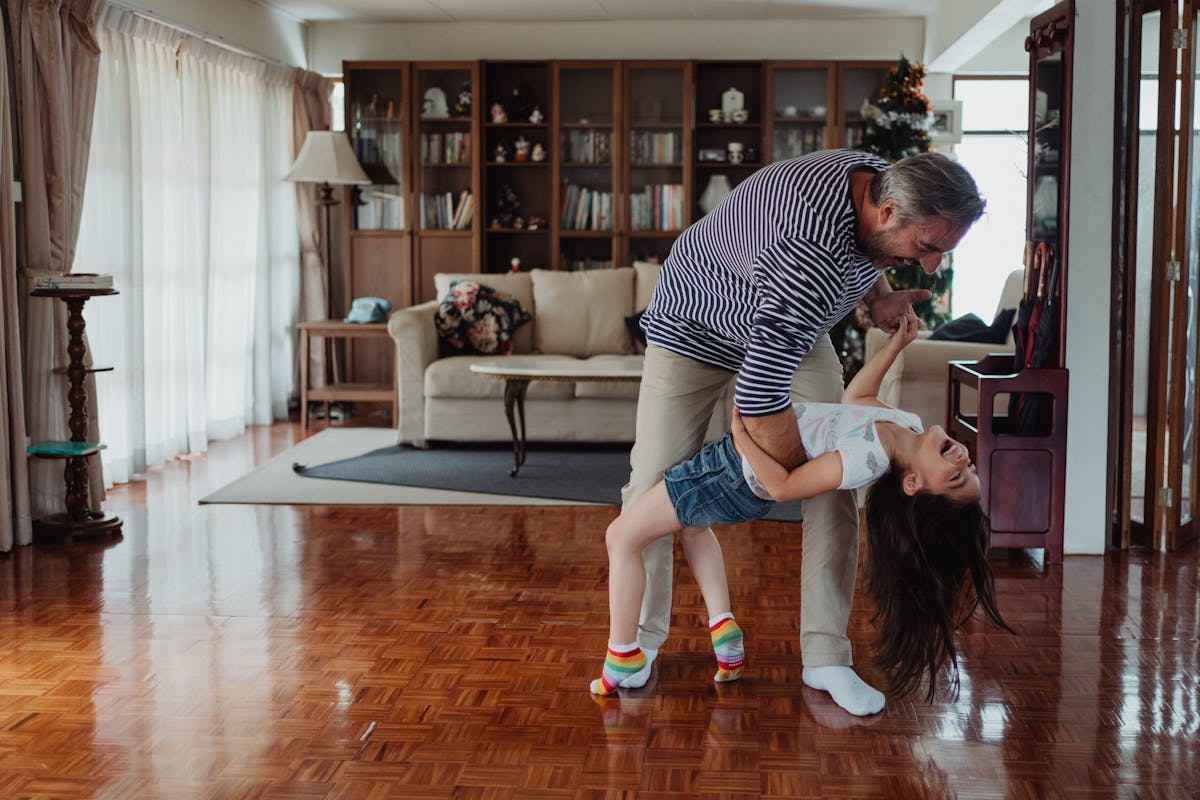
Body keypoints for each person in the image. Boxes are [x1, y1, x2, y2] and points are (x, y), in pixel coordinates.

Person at [624, 148, 986, 716]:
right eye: (927, 247)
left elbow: (861, 263)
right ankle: (638, 643)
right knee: (651, 484)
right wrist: (795, 466)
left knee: (837, 490)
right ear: (888, 210)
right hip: (693, 322)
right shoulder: (808, 250)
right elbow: (759, 397)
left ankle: (825, 657)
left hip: (793, 326)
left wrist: (877, 297)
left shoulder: (885, 180)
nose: (932, 266)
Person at [592, 315, 1008, 704]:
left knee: (621, 535)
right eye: (968, 467)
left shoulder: (868, 458)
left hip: (736, 472)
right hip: (736, 466)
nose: (961, 460)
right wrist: (894, 345)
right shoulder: (907, 426)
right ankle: (721, 625)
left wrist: (741, 435)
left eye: (955, 477)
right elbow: (856, 397)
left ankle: (622, 650)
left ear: (913, 484)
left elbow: (785, 486)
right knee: (693, 526)